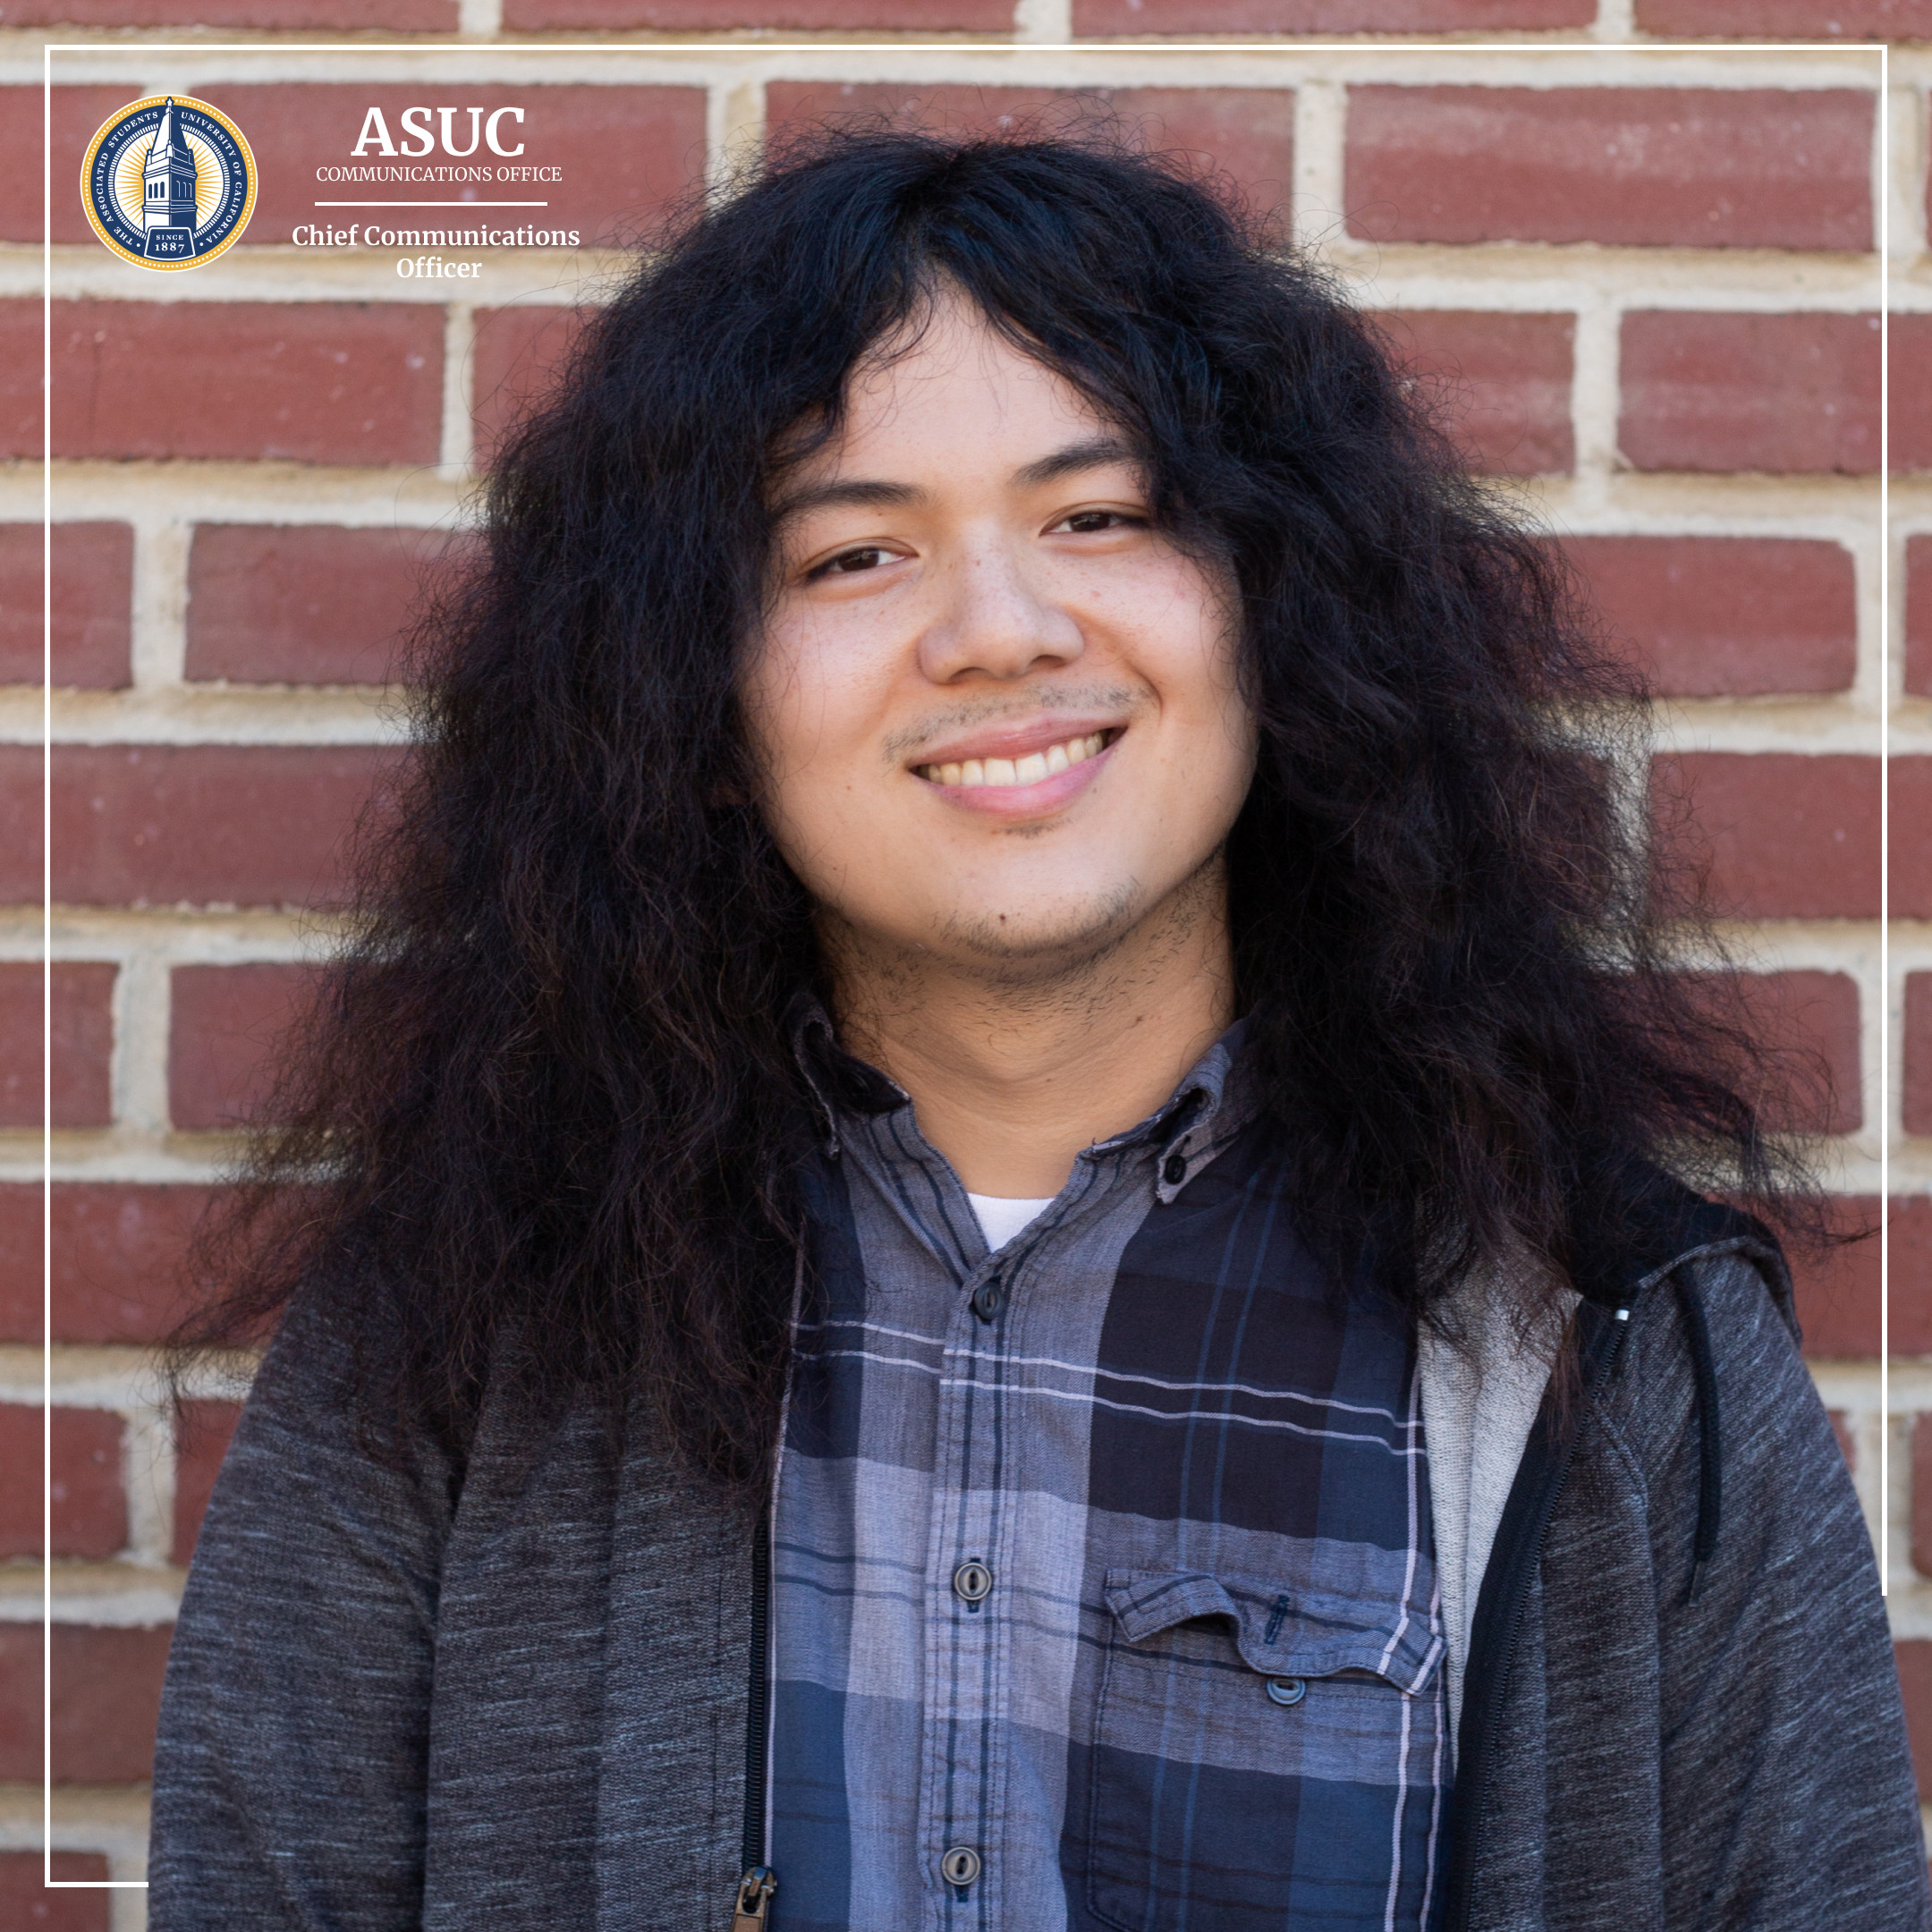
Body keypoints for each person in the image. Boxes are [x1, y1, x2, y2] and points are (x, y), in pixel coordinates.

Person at [148, 128, 1928, 1932]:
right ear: (692, 690)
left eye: (1101, 515)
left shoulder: (1611, 1346)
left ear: (1279, 607)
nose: (997, 631)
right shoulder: (456, 1330)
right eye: (852, 554)